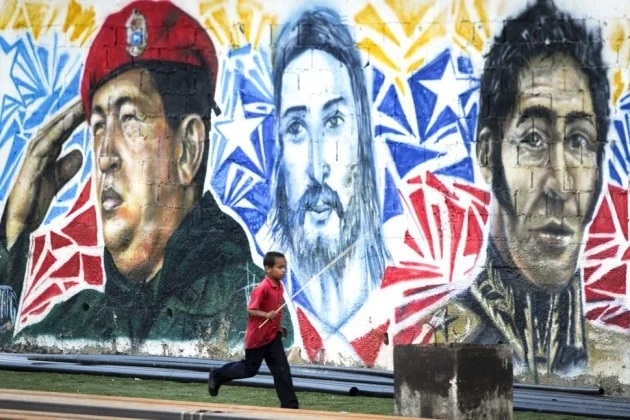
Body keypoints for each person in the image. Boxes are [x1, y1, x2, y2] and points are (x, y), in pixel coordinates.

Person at [0, 0, 261, 348]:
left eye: (130, 120)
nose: (105, 156)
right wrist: (13, 231)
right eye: (98, 126)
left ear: (188, 149)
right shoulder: (73, 322)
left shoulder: (249, 311)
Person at [409, 0, 627, 378]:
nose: (560, 184)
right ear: (487, 154)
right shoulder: (437, 346)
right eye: (533, 139)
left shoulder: (617, 359)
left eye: (579, 141)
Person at [255, 6, 392, 367]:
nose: (317, 168)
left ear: (363, 138)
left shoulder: (407, 299)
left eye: (334, 121)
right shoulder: (263, 284)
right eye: (296, 128)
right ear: (279, 152)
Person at [208, 251, 299, 409]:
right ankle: (217, 375)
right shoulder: (262, 288)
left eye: (284, 267)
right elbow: (251, 309)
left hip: (272, 336)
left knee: (282, 370)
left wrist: (277, 325)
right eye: (280, 267)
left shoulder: (279, 287)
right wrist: (266, 315)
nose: (284, 270)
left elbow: (274, 308)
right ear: (268, 269)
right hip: (258, 337)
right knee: (249, 370)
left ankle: (290, 406)